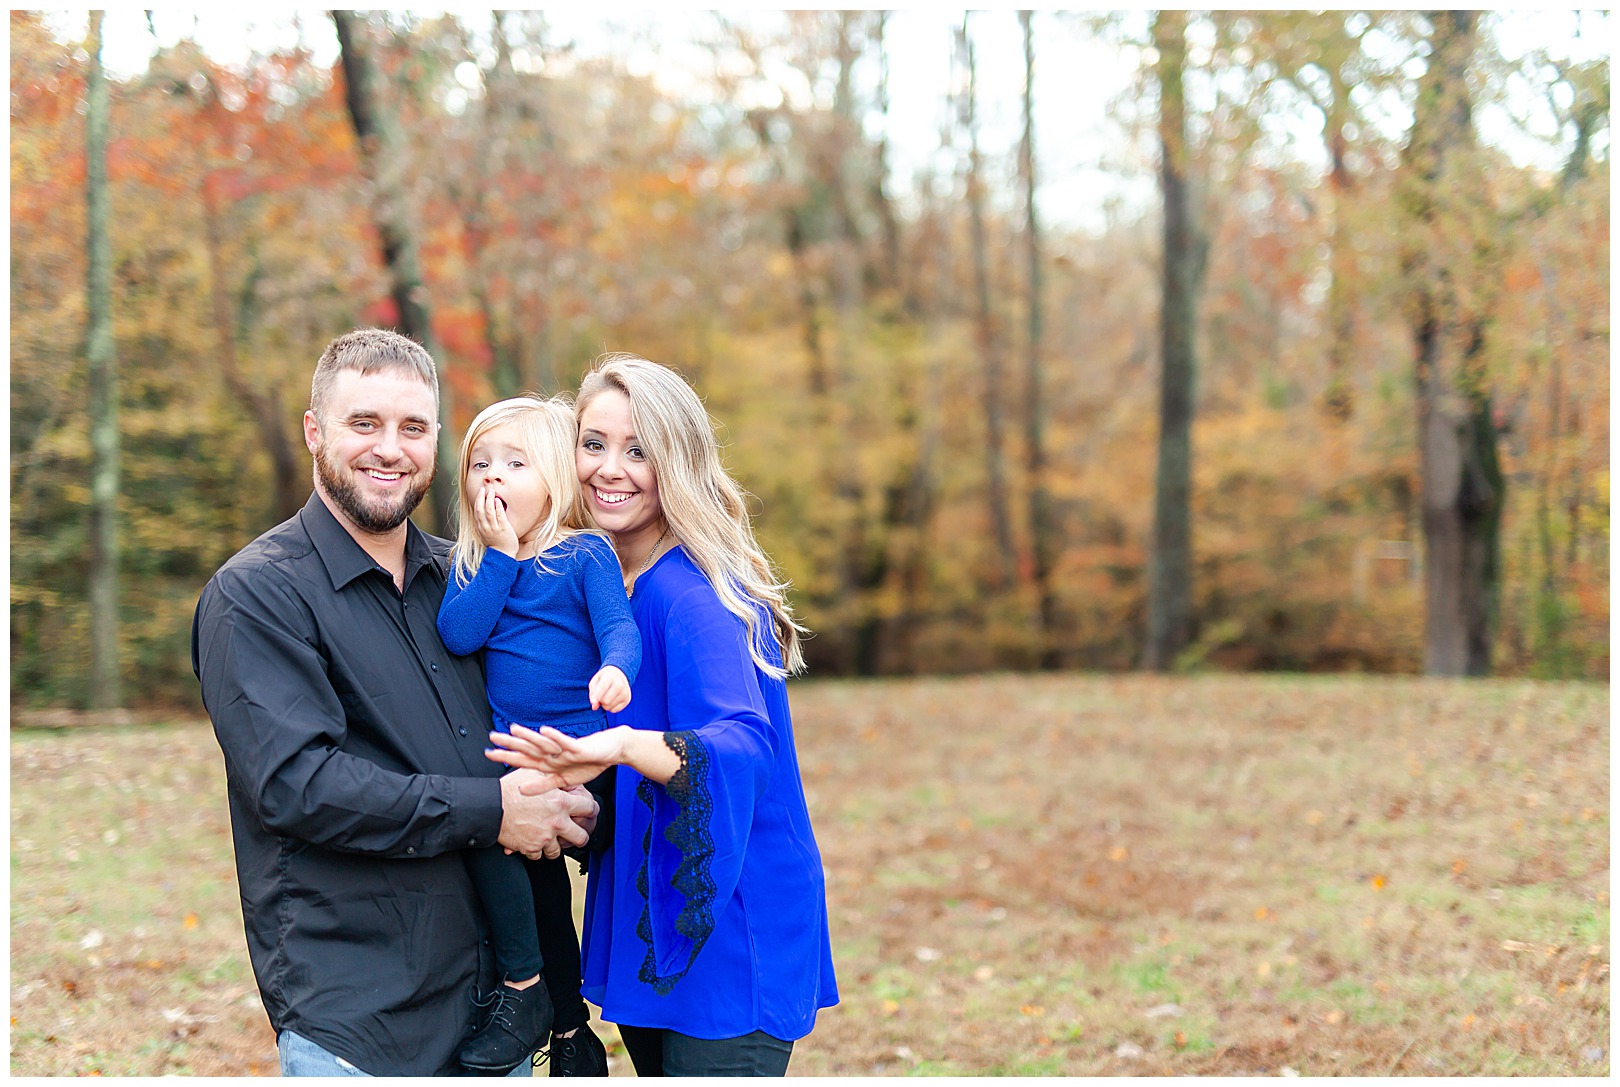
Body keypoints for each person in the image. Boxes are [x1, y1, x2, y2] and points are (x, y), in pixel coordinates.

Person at [191, 329, 600, 1078]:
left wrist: (572, 798)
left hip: (494, 1015)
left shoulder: (472, 577)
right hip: (359, 1021)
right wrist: (495, 809)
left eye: (413, 427)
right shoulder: (257, 595)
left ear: (436, 441)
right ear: (315, 432)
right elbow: (296, 785)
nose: (391, 448)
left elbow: (532, 722)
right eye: (364, 423)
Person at [487, 354, 839, 1077]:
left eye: (638, 448)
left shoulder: (691, 596)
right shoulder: (615, 585)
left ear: (674, 461)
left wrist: (617, 744)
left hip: (730, 928)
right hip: (659, 915)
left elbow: (738, 747)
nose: (609, 468)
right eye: (593, 443)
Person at [437, 396, 640, 1074]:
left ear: (554, 475)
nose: (491, 477)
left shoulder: (584, 554)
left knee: (613, 865)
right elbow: (459, 633)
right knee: (527, 880)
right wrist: (497, 555)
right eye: (479, 463)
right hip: (520, 762)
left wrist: (615, 668)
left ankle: (627, 1001)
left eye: (514, 463)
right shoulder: (474, 564)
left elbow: (619, 626)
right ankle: (562, 1022)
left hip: (589, 755)